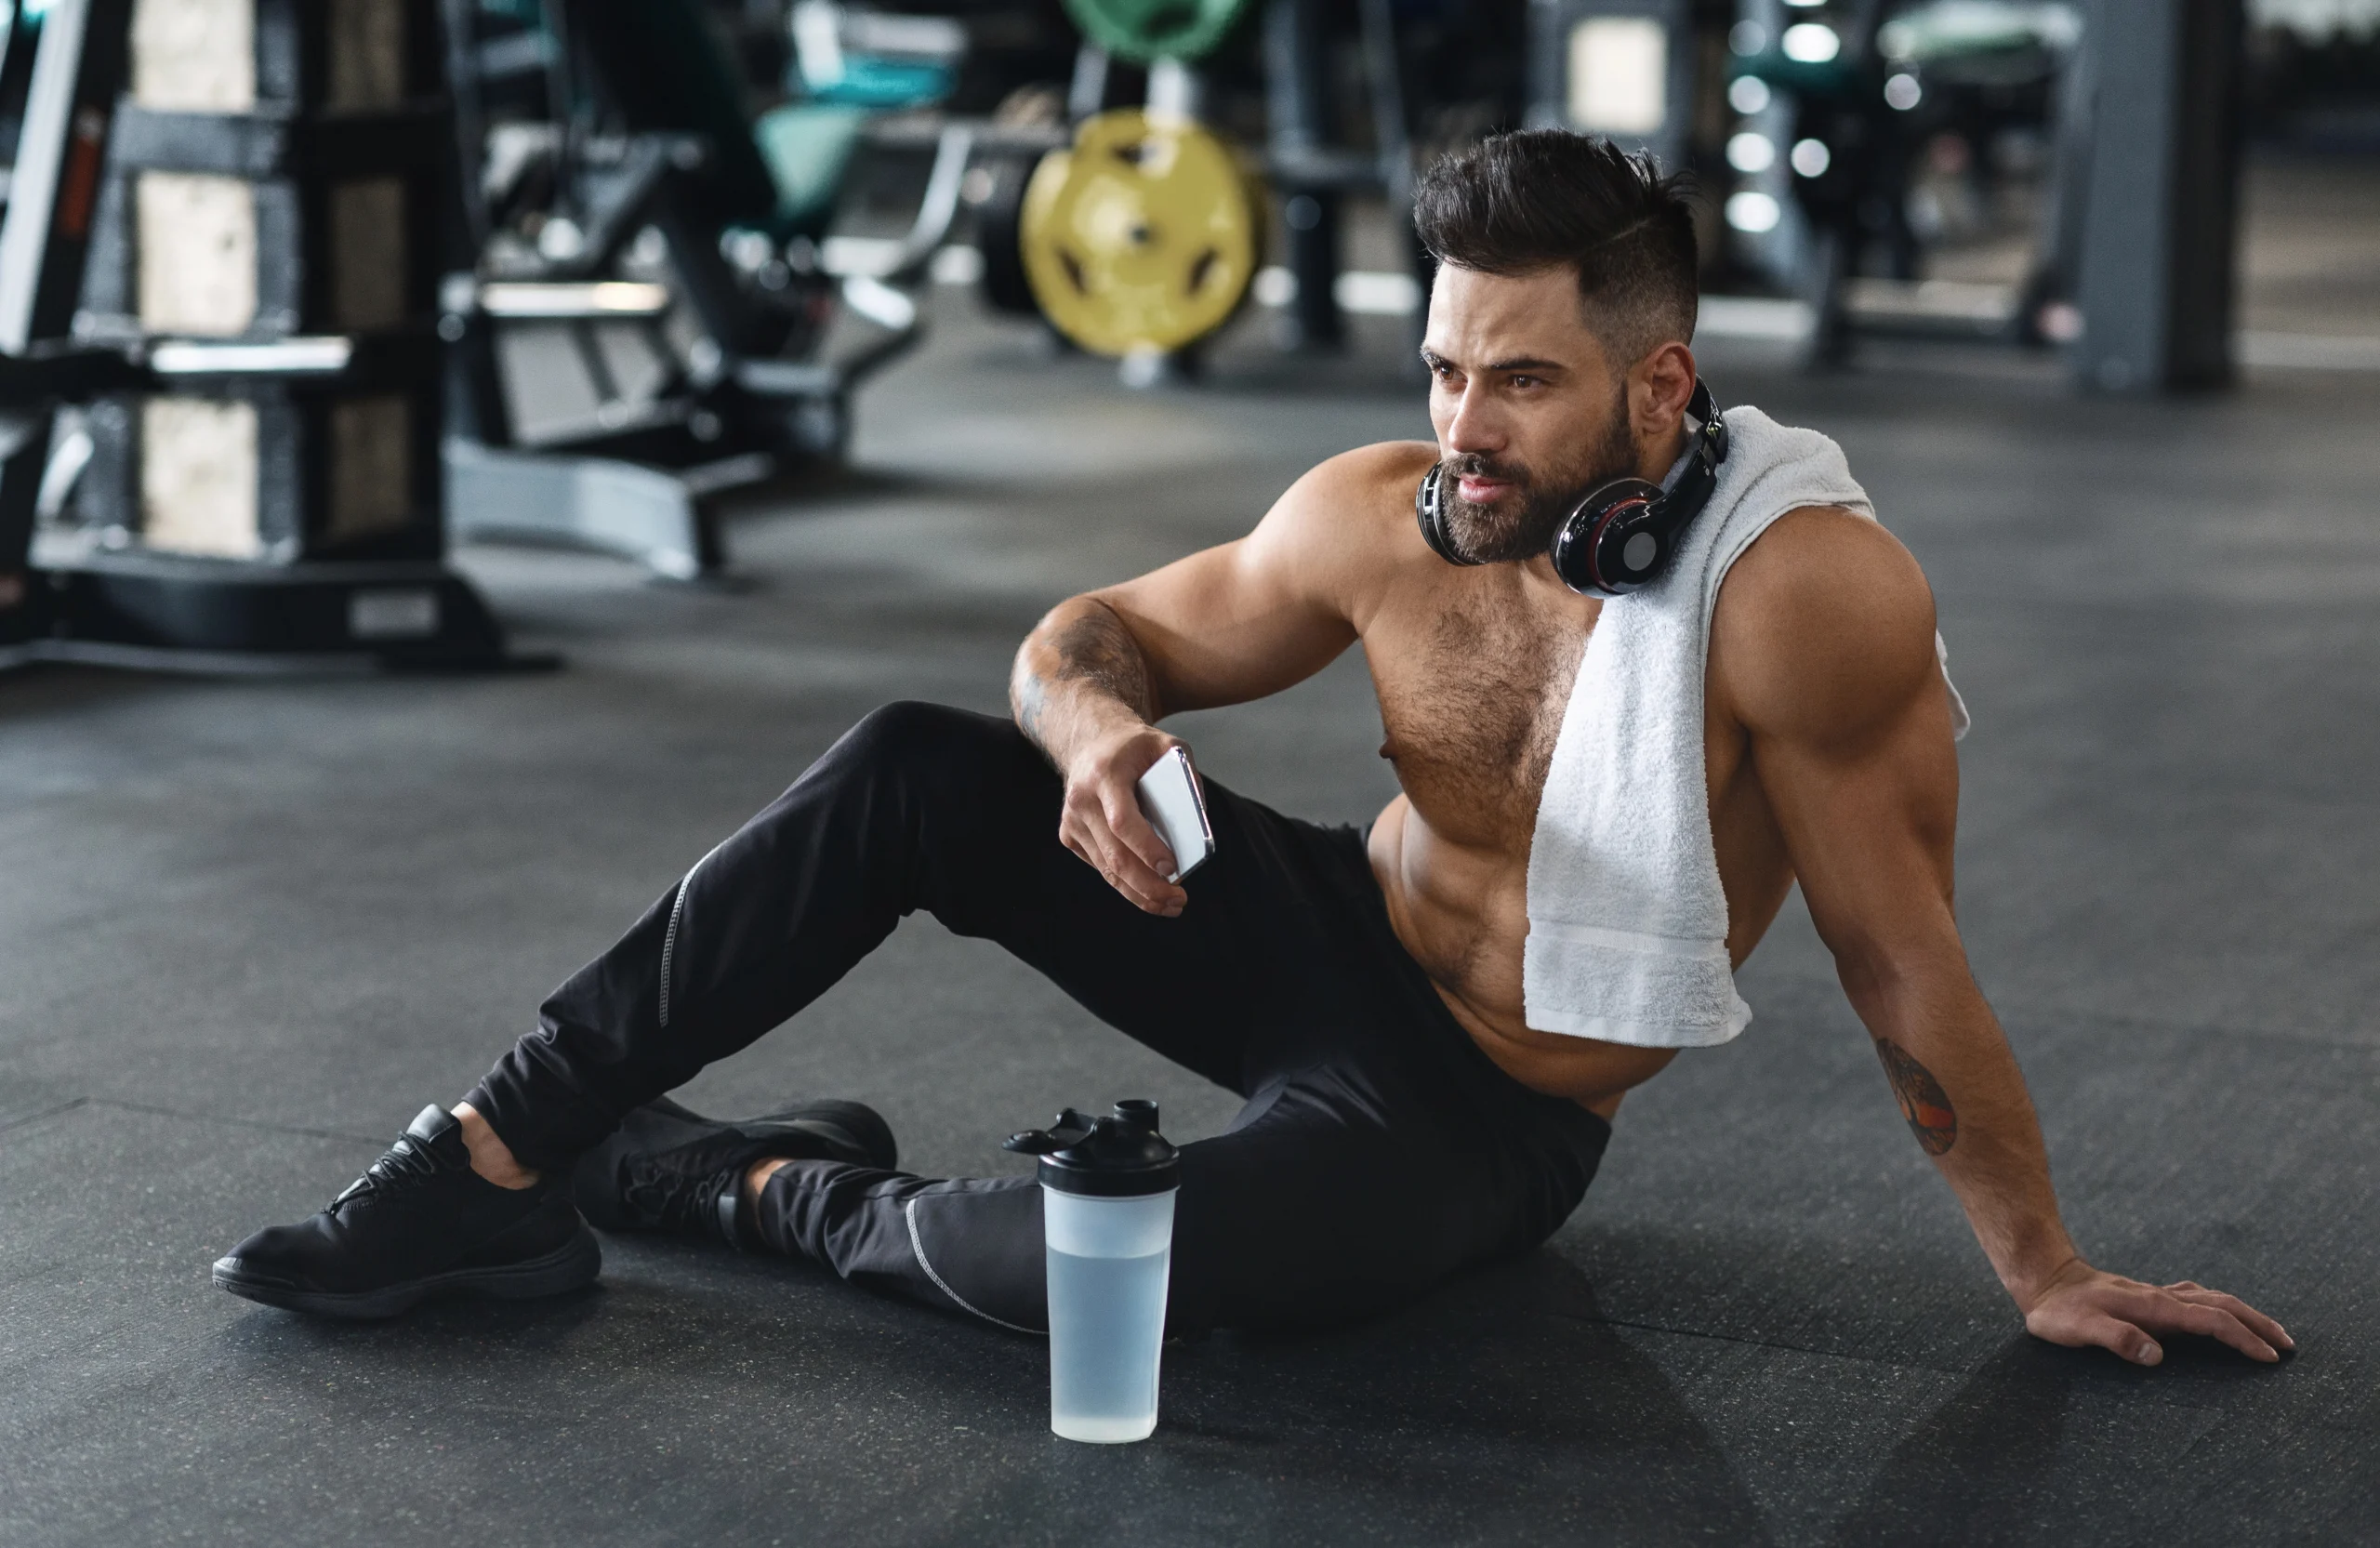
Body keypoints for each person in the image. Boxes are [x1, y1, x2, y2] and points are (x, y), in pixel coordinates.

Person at [215, 130, 2289, 1367]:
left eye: (1526, 383)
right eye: (1444, 366)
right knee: (910, 766)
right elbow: (1085, 631)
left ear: (1660, 393)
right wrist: (1101, 727)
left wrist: (2043, 1266)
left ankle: (752, 1179)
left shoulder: (1798, 596)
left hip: (1482, 1112)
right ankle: (484, 1157)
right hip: (1310, 924)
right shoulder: (1380, 507)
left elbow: (1895, 952)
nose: (1463, 426)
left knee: (1097, 1270)